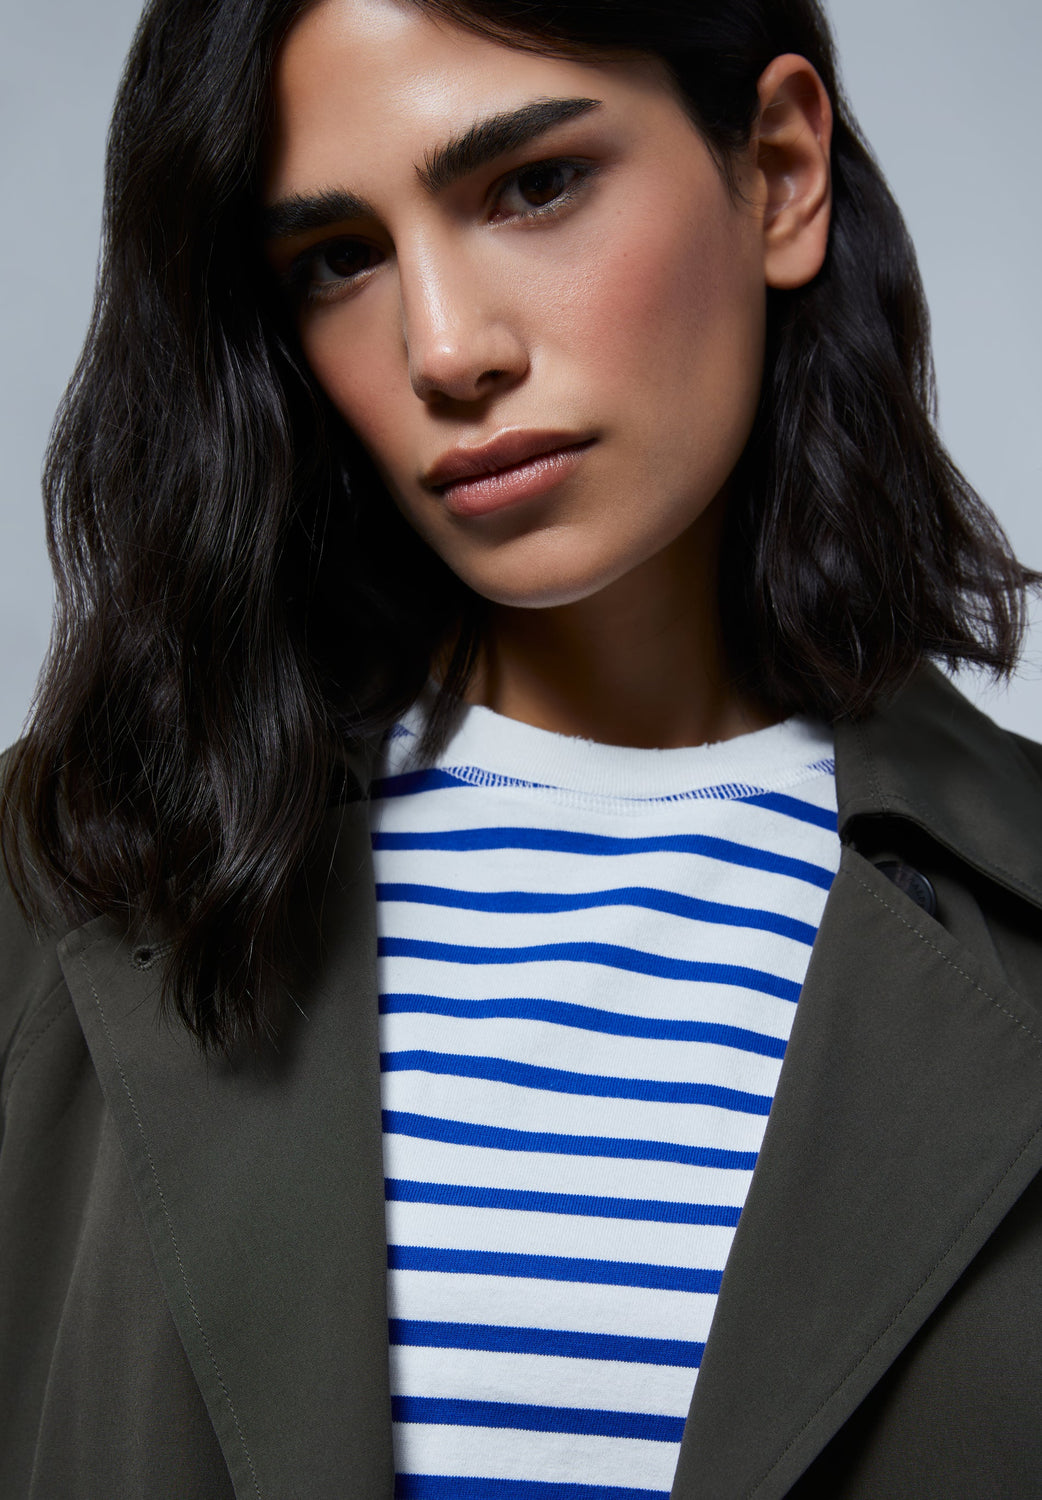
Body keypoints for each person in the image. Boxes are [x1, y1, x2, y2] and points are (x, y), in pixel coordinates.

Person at [1, 0, 1040, 1495]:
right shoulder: (58, 886)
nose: (446, 350)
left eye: (533, 185)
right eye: (337, 259)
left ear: (777, 172)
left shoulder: (1009, 911)